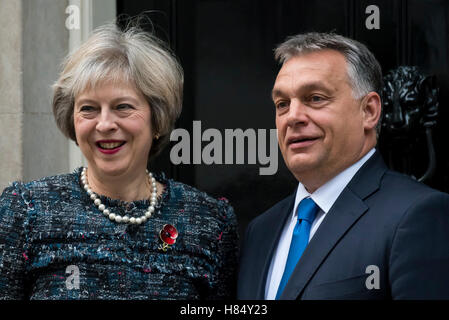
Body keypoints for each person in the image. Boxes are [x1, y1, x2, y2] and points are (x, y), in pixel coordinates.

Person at [0, 22, 238, 300]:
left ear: (157, 118)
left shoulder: (209, 222)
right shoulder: (26, 211)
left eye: (122, 107)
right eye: (88, 108)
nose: (104, 124)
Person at [237, 32, 449, 300]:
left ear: (369, 111)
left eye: (315, 98)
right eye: (282, 104)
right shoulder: (260, 231)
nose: (293, 117)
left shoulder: (417, 215)